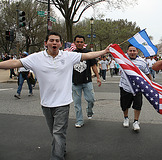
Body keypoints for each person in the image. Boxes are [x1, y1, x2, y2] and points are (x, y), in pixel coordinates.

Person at [0, 32, 110, 160]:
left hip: (63, 103)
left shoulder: (68, 56)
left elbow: (88, 55)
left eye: (57, 41)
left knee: (58, 133)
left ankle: (57, 157)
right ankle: (61, 148)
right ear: (46, 43)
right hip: (46, 103)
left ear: (61, 44)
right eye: (51, 40)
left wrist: (104, 51)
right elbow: (15, 63)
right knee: (55, 132)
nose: (54, 43)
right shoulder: (36, 58)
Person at [119, 44, 152, 131]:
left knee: (138, 105)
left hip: (138, 88)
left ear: (137, 52)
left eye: (134, 51)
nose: (132, 52)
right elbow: (114, 52)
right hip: (125, 86)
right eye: (130, 51)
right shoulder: (122, 59)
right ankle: (126, 118)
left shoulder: (142, 62)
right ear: (127, 51)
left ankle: (136, 121)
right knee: (124, 105)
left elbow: (147, 73)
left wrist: (151, 84)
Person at [72, 35, 101, 128]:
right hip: (75, 82)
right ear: (74, 43)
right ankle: (79, 121)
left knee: (91, 99)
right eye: (77, 42)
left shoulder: (88, 53)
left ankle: (89, 110)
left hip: (87, 81)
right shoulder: (71, 54)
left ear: (84, 43)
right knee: (77, 103)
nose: (79, 43)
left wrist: (98, 77)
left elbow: (93, 66)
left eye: (81, 42)